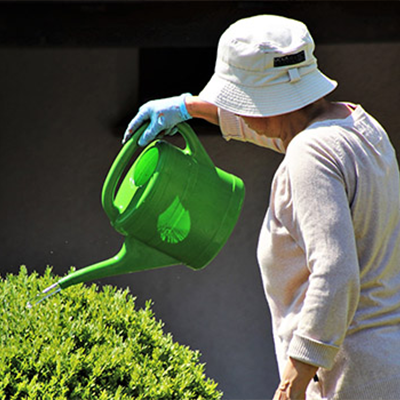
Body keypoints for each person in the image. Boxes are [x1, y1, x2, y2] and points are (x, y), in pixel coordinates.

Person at [123, 15, 400, 400]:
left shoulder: (309, 154)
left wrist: (295, 379)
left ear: (259, 104)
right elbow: (283, 130)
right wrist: (192, 108)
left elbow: (336, 273)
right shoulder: (358, 125)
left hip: (350, 380)